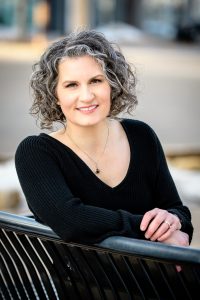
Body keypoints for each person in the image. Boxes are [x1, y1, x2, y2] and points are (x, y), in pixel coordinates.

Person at [15, 29, 193, 247]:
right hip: (83, 281)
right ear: (55, 96)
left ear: (112, 85)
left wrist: (173, 219)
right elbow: (71, 220)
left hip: (155, 279)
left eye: (96, 81)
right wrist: (150, 230)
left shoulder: (141, 136)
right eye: (72, 85)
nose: (87, 96)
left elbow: (178, 212)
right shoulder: (36, 153)